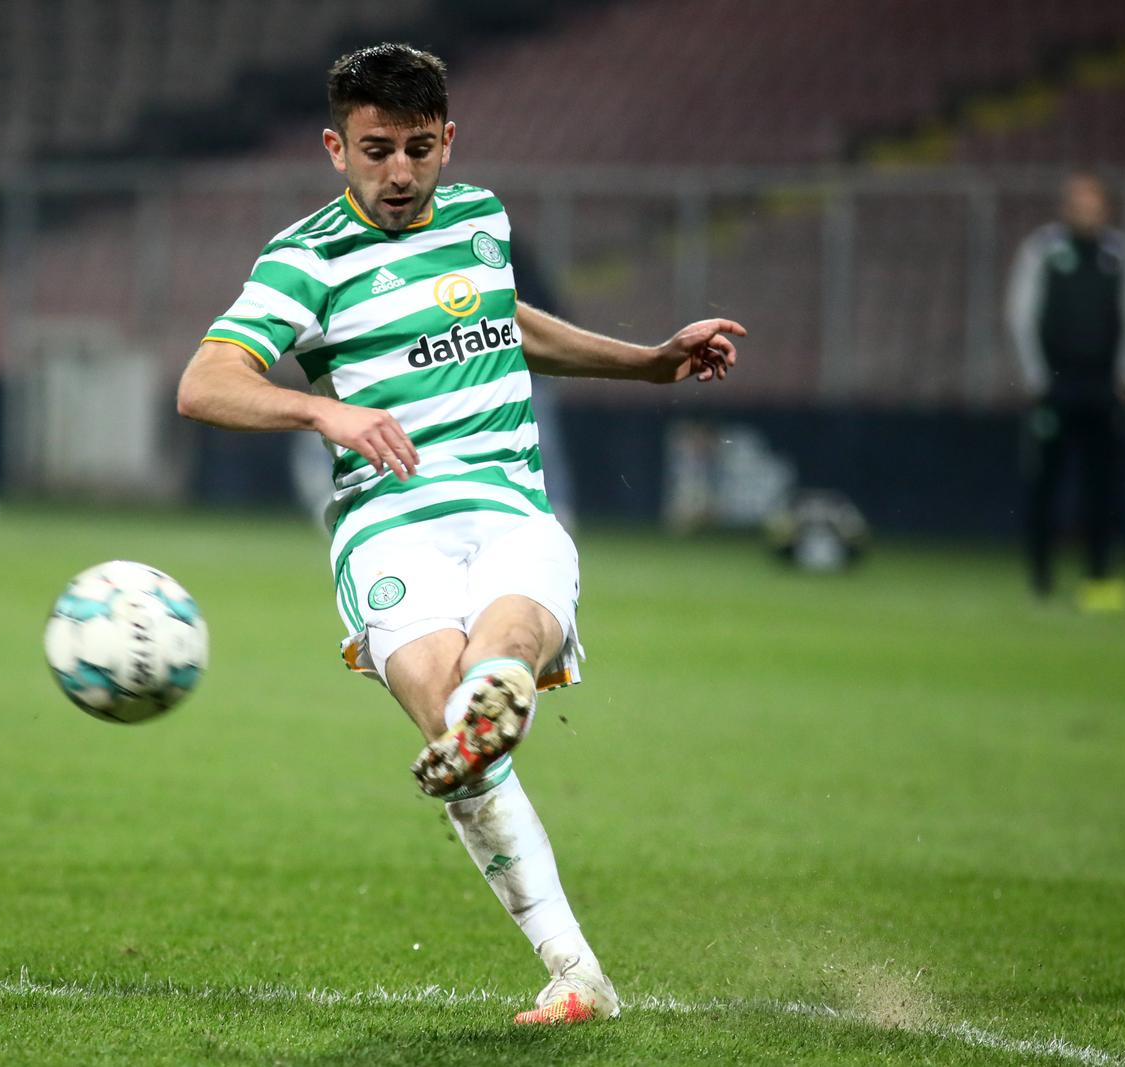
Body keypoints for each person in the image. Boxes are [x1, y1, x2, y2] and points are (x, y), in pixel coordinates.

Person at [176, 43, 744, 1025]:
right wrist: (325, 413)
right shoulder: (304, 259)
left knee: (501, 654)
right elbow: (204, 382)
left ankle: (503, 704)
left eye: (417, 147)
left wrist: (648, 364)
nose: (397, 172)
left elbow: (503, 320)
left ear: (449, 140)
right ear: (333, 147)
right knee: (455, 723)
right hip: (387, 531)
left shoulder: (481, 219)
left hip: (506, 505)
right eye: (374, 149)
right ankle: (577, 968)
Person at [1006, 173, 1125, 612]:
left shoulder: (1120, 255)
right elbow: (1021, 313)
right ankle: (1041, 576)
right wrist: (1034, 377)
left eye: (1093, 204)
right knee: (1044, 482)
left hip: (1103, 387)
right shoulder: (1042, 252)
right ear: (1065, 208)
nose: (1085, 212)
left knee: (1102, 485)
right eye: (1078, 203)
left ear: (1105, 209)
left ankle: (1099, 575)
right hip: (1055, 386)